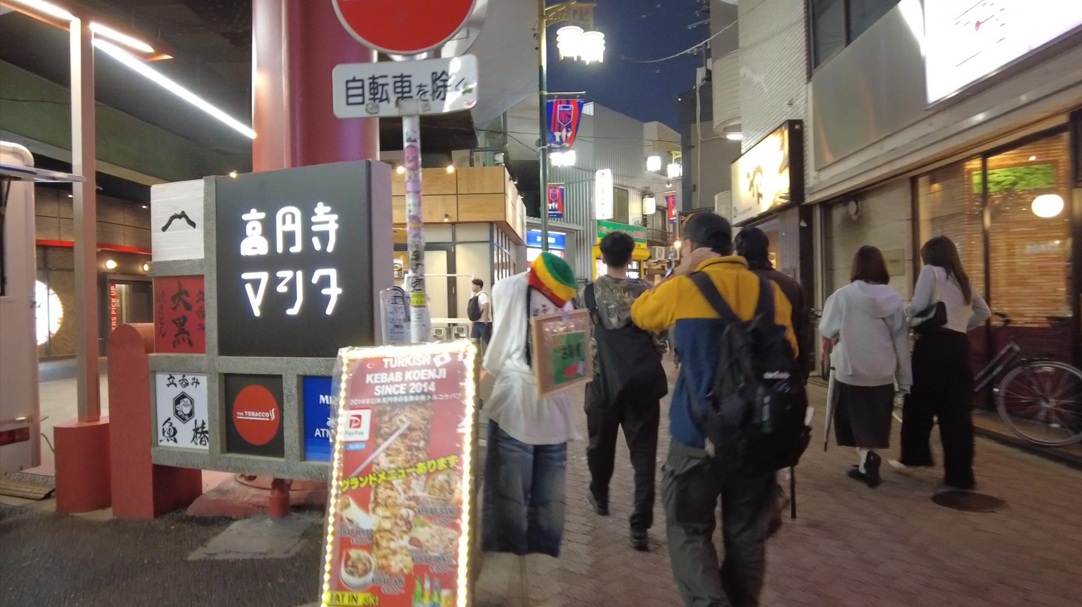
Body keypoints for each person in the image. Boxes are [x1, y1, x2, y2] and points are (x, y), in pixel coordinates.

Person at [631, 212, 797, 607]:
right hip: (755, 435)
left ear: (690, 246)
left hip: (696, 435)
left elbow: (640, 314)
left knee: (688, 528)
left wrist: (678, 272)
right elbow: (789, 352)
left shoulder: (682, 288)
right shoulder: (770, 293)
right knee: (746, 533)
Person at [481, 252, 582, 557]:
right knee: (549, 490)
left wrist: (482, 378)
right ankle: (543, 544)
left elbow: (498, 350)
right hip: (556, 402)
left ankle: (510, 547)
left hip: (515, 403)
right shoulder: (566, 300)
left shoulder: (507, 288)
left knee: (508, 491)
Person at [581, 232, 668, 551]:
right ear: (631, 257)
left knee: (600, 445)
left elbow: (579, 334)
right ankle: (639, 526)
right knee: (644, 455)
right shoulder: (647, 291)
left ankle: (600, 495)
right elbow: (660, 339)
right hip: (641, 382)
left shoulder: (589, 293)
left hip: (602, 380)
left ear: (602, 257)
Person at [901, 236, 990, 491]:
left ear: (930, 256)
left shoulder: (930, 272)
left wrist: (908, 314)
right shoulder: (963, 278)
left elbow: (918, 306)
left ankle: (915, 456)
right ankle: (960, 476)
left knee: (918, 403)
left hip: (933, 346)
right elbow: (984, 312)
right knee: (957, 413)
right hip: (959, 348)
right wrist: (960, 326)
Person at [734, 227, 808, 530]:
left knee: (749, 431)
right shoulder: (790, 285)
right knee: (775, 427)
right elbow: (802, 332)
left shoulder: (738, 284)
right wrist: (800, 374)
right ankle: (770, 490)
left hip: (748, 374)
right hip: (785, 372)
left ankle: (763, 496)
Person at [819, 246, 911, 488]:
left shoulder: (842, 296)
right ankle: (865, 461)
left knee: (855, 423)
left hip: (851, 371)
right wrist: (905, 381)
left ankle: (866, 459)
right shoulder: (894, 300)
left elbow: (827, 329)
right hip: (882, 373)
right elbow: (901, 341)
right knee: (872, 423)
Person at [468, 278, 492, 349]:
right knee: (474, 342)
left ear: (478, 286)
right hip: (477, 322)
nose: (472, 286)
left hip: (483, 323)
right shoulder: (477, 296)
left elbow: (486, 307)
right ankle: (477, 355)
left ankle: (490, 355)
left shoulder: (483, 295)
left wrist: (485, 320)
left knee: (487, 342)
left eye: (473, 285)